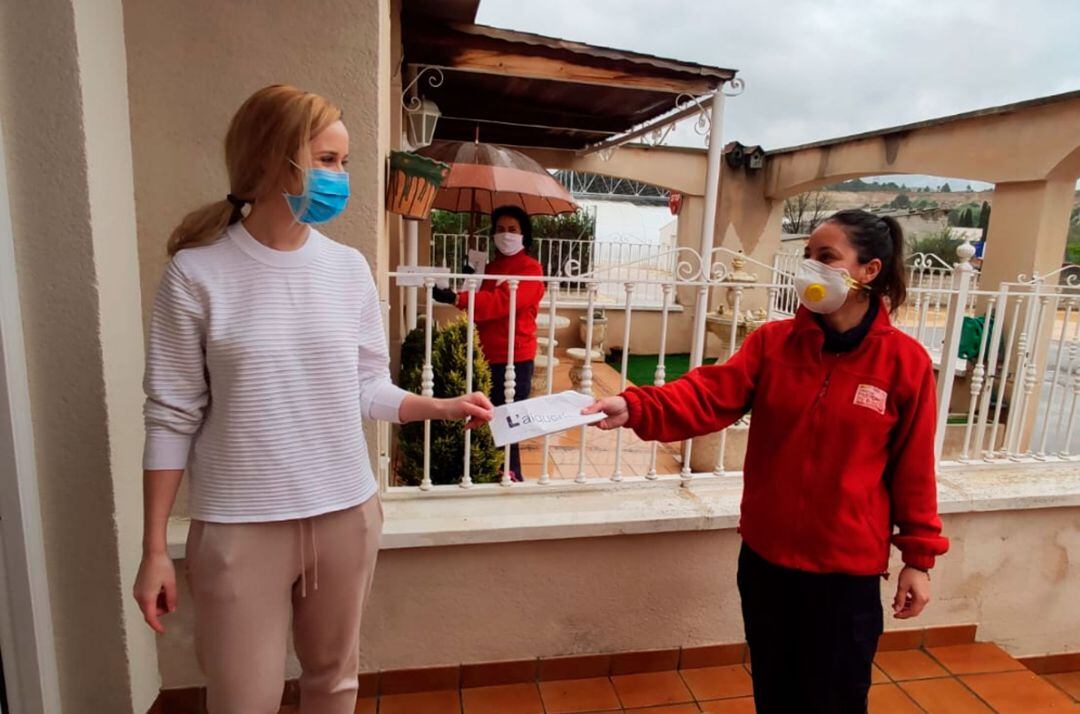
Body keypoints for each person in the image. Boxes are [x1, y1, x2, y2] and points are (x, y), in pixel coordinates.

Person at [132, 84, 493, 713]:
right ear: (273, 159)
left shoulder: (347, 267)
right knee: (244, 699)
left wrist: (439, 406)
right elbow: (171, 413)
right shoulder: (197, 273)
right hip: (241, 524)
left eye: (344, 163)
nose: (341, 178)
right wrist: (155, 548)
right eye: (326, 161)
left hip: (345, 514)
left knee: (334, 683)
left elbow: (364, 387)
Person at [584, 209, 949, 713]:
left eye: (827, 257)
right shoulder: (773, 345)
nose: (810, 270)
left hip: (845, 574)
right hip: (767, 562)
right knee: (776, 692)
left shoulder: (903, 362)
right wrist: (637, 406)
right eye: (807, 258)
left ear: (870, 271)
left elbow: (913, 469)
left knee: (836, 699)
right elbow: (707, 395)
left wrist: (918, 559)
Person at [433, 205, 545, 481]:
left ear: (524, 235)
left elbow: (502, 303)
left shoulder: (532, 270)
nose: (506, 235)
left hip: (514, 357)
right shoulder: (491, 268)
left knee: (509, 417)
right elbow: (479, 308)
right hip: (485, 352)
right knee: (484, 415)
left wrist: (459, 298)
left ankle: (512, 473)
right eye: (500, 230)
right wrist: (471, 277)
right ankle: (485, 468)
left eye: (513, 230)